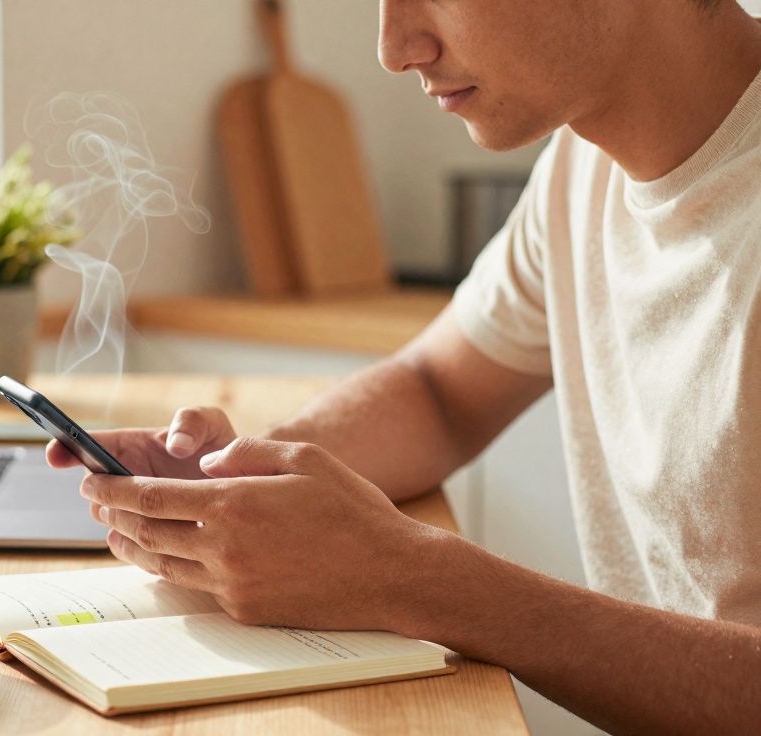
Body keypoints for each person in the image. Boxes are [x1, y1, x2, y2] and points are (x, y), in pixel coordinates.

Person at [46, 1, 761, 732]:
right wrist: (242, 476)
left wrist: (417, 581)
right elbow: (440, 390)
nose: (393, 48)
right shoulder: (583, 169)